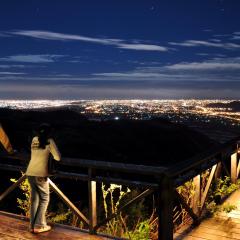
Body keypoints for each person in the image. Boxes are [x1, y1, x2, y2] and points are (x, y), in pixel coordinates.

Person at [26, 123, 61, 233]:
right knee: (44, 199)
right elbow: (58, 157)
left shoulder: (34, 139)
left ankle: (32, 226)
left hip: (30, 172)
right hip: (41, 174)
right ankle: (39, 226)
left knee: (35, 200)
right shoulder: (49, 141)